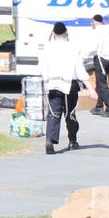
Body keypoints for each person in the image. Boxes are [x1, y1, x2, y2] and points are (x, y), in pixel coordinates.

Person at [40, 22, 96, 154]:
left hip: (52, 85)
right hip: (70, 84)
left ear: (53, 33)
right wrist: (91, 89)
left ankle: (50, 140)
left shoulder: (46, 48)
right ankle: (72, 140)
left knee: (53, 114)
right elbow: (80, 70)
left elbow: (41, 68)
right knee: (70, 114)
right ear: (66, 33)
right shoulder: (73, 48)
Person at [83, 14, 109, 117]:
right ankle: (99, 107)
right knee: (100, 83)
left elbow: (93, 47)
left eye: (92, 22)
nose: (92, 24)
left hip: (100, 59)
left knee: (102, 84)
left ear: (95, 22)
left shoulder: (96, 32)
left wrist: (84, 56)